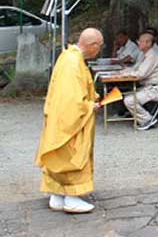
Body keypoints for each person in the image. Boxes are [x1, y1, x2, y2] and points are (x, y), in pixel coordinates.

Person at [35, 28, 103, 214]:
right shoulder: (73, 63)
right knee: (73, 154)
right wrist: (90, 106)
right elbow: (72, 102)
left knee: (60, 154)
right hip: (69, 120)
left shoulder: (67, 56)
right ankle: (72, 197)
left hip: (58, 118)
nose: (100, 49)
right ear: (92, 46)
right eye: (99, 45)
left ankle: (57, 194)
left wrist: (92, 96)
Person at [117, 32, 158, 130]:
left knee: (129, 100)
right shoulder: (143, 54)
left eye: (140, 41)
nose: (138, 43)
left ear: (148, 44)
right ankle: (141, 117)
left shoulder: (152, 56)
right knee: (126, 95)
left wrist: (124, 74)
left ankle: (147, 120)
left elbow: (141, 74)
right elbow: (136, 68)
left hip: (155, 88)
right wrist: (123, 72)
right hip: (148, 87)